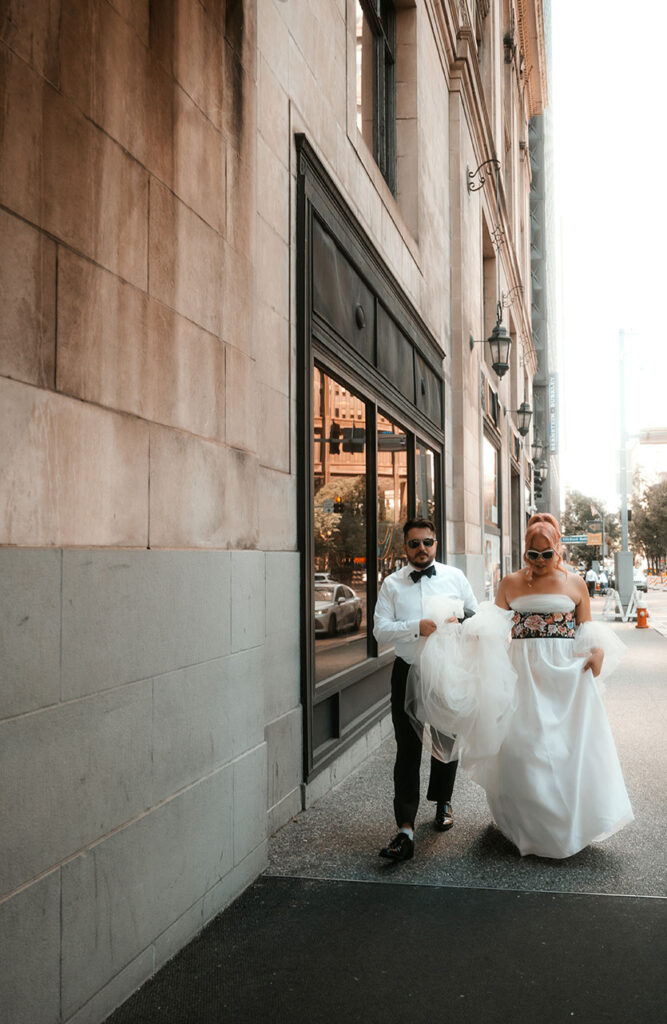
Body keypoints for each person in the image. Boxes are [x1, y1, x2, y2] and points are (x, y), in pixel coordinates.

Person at [407, 513, 633, 859]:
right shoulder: (510, 583)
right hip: (521, 673)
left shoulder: (575, 583)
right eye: (533, 553)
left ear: (558, 550)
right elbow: (492, 624)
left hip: (567, 674)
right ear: (524, 552)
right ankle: (527, 825)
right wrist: (460, 628)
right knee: (523, 746)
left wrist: (597, 651)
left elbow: (586, 626)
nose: (540, 561)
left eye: (547, 553)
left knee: (567, 747)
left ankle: (567, 825)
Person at [373, 518, 478, 862]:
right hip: (408, 672)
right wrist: (415, 628)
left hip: (447, 670)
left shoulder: (455, 577)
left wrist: (459, 623)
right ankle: (405, 827)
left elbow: (474, 616)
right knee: (407, 748)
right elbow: (380, 631)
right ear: (405, 547)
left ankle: (443, 801)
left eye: (427, 542)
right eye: (414, 543)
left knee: (446, 741)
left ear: (436, 544)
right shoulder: (391, 584)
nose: (422, 549)